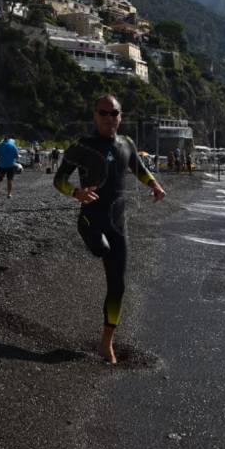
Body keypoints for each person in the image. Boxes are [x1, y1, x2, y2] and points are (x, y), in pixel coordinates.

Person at [54, 95, 166, 364]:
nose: (108, 117)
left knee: (118, 285)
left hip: (119, 223)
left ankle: (107, 343)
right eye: (103, 113)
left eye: (113, 112)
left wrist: (154, 184)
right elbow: (59, 179)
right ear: (94, 115)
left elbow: (138, 168)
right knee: (100, 248)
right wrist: (75, 192)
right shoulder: (83, 145)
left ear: (120, 115)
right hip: (91, 218)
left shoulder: (127, 144)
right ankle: (84, 225)